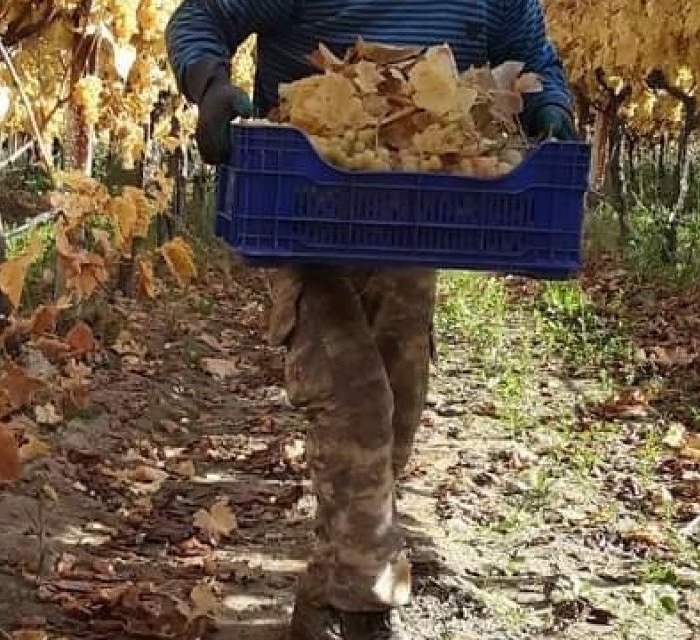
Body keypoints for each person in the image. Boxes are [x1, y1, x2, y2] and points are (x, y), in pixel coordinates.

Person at [164, 2, 578, 639]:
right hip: (301, 214)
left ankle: (321, 598)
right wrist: (210, 84)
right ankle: (368, 611)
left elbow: (534, 58)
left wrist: (549, 104)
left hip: (415, 219)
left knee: (396, 415)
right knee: (355, 402)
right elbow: (200, 19)